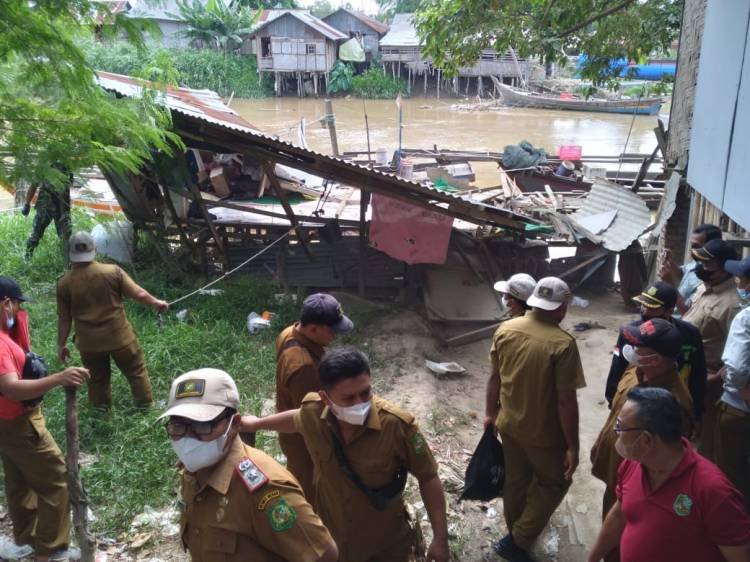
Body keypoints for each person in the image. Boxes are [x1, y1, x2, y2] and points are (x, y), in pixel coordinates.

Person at [241, 347, 449, 562]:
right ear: (325, 398)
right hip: (332, 539)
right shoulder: (314, 413)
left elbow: (428, 477)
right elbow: (296, 419)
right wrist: (256, 424)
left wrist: (440, 539)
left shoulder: (396, 426)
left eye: (366, 392)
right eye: (348, 398)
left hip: (384, 544)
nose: (360, 404)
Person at [159, 368, 338, 562]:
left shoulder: (265, 490)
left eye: (202, 425)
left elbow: (323, 554)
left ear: (234, 424)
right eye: (178, 426)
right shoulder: (192, 470)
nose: (188, 438)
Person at [485, 277, 586, 562]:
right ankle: (518, 541)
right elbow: (566, 401)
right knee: (555, 483)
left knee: (516, 481)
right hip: (543, 434)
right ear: (562, 307)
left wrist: (490, 414)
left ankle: (515, 532)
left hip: (509, 424)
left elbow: (494, 378)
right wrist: (572, 446)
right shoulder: (562, 344)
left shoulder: (506, 329)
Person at [588, 387, 750, 562]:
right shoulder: (633, 464)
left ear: (646, 440)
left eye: (620, 427)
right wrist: (593, 558)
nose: (616, 433)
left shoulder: (714, 492)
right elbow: (621, 514)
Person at [0, 276, 90, 561]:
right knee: (55, 479)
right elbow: (11, 388)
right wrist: (59, 378)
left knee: (19, 482)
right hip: (18, 423)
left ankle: (27, 542)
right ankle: (50, 551)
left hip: (4, 423)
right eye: (16, 305)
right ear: (6, 303)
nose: (17, 312)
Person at [591, 318, 694, 552]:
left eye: (639, 346)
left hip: (637, 490)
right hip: (615, 471)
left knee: (624, 541)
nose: (632, 350)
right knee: (610, 527)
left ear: (656, 359)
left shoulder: (674, 405)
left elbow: (667, 464)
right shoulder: (638, 370)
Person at [56, 231, 168, 409]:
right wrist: (156, 303)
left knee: (97, 380)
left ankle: (101, 411)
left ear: (71, 252)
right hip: (120, 337)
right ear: (94, 249)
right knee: (136, 371)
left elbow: (64, 319)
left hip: (89, 344)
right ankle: (146, 406)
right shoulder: (112, 271)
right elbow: (138, 293)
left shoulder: (64, 283)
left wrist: (61, 345)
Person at [275, 293, 353, 500]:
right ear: (312, 329)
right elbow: (311, 418)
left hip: (293, 430)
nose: (334, 336)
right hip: (303, 443)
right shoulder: (304, 367)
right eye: (331, 331)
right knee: (311, 492)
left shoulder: (288, 333)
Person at [604, 282, 706, 420]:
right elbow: (618, 366)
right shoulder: (632, 333)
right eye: (643, 304)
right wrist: (612, 399)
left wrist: (697, 410)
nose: (644, 311)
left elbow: (698, 374)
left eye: (651, 308)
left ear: (669, 311)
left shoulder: (689, 334)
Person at [683, 238, 741, 459]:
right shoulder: (704, 289)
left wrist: (717, 377)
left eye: (709, 265)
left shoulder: (732, 305)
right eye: (702, 263)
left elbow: (738, 353)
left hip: (708, 385)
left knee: (703, 443)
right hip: (687, 376)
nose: (703, 269)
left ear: (726, 267)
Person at [714, 256, 750, 511]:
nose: (736, 281)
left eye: (739, 277)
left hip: (739, 408)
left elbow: (736, 368)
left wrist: (740, 389)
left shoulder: (745, 318)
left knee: (731, 470)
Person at [660, 223, 723, 315]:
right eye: (691, 246)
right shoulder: (697, 262)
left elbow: (687, 313)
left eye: (696, 246)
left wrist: (670, 284)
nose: (692, 250)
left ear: (710, 246)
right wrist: (670, 262)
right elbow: (682, 274)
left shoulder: (708, 277)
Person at [22, 166, 73, 261]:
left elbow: (68, 187)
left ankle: (69, 261)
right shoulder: (45, 163)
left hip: (61, 207)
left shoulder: (66, 165)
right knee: (36, 233)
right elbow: (34, 185)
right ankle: (27, 256)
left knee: (66, 236)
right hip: (45, 206)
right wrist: (27, 203)